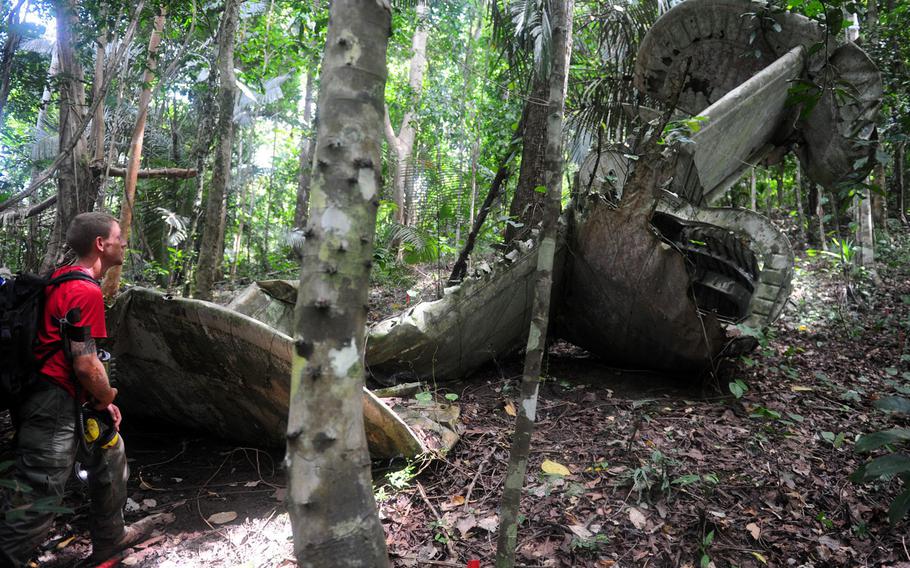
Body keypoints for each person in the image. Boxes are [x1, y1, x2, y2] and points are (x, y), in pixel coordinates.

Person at [0, 212, 162, 566]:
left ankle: (110, 539)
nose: (124, 242)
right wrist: (108, 396)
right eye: (119, 236)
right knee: (40, 494)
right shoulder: (84, 289)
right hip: (52, 403)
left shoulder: (60, 279)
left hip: (63, 396)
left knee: (110, 453)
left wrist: (98, 404)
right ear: (101, 244)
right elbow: (86, 364)